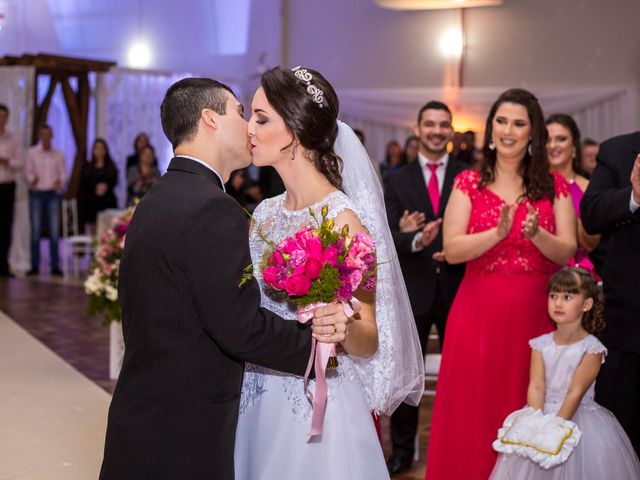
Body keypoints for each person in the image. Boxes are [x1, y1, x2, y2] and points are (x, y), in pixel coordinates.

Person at [99, 77, 350, 480]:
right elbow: (240, 327)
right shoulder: (211, 209)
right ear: (210, 119)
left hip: (144, 415)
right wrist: (319, 348)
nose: (248, 125)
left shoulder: (156, 198)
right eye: (239, 112)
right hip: (185, 432)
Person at [235, 66, 424, 480]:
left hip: (314, 406)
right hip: (254, 396)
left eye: (262, 117)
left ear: (295, 134)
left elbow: (368, 337)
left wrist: (341, 326)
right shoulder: (263, 215)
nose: (249, 127)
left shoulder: (346, 224)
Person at [426, 88, 577, 480]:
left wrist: (535, 234)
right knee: (475, 406)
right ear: (491, 127)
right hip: (477, 313)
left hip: (535, 316)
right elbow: (453, 248)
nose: (509, 130)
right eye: (502, 121)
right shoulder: (468, 182)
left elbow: (567, 251)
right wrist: (496, 234)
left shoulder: (554, 186)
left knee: (529, 403)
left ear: (534, 133)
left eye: (519, 123)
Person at [490, 267, 640, 479]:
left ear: (587, 304)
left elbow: (575, 392)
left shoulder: (592, 348)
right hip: (542, 415)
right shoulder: (540, 344)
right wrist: (536, 423)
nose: (558, 303)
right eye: (553, 296)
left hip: (576, 419)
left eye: (567, 296)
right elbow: (536, 386)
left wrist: (555, 430)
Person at [384, 100, 467, 474]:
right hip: (412, 291)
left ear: (451, 131)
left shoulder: (469, 176)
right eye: (430, 124)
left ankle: (460, 444)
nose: (436, 130)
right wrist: (413, 239)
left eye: (443, 124)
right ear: (418, 129)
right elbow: (384, 237)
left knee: (462, 375)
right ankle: (402, 451)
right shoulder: (397, 180)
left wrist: (456, 248)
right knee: (408, 378)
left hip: (460, 289)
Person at [581, 132, 640, 456]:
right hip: (628, 325)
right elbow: (591, 213)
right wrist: (634, 197)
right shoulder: (617, 150)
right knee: (623, 436)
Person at [546, 114, 600, 273]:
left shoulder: (587, 187)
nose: (552, 145)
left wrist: (565, 214)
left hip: (577, 275)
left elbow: (592, 242)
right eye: (547, 140)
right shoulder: (531, 185)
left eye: (561, 139)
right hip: (539, 272)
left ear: (574, 147)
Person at [25, 125, 66, 277]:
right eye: (43, 134)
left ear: (52, 136)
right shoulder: (32, 153)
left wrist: (59, 182)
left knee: (54, 231)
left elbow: (63, 174)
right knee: (35, 231)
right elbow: (28, 172)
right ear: (40, 136)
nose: (46, 137)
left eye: (48, 134)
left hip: (52, 194)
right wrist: (32, 179)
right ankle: (34, 265)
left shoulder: (58, 155)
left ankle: (55, 265)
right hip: (36, 193)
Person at [0, 104, 22, 277]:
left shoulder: (13, 138)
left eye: (4, 116)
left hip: (7, 186)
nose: (1, 119)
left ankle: (4, 264)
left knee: (6, 226)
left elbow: (19, 163)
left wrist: (6, 161)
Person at [79, 138, 118, 234]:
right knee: (91, 209)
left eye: (102, 148)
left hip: (107, 198)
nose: (99, 151)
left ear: (105, 150)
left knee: (108, 215)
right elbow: (84, 182)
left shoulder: (111, 165)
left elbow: (114, 181)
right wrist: (95, 188)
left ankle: (106, 243)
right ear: (93, 150)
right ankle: (94, 242)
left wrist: (105, 187)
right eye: (97, 148)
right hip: (91, 199)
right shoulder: (87, 166)